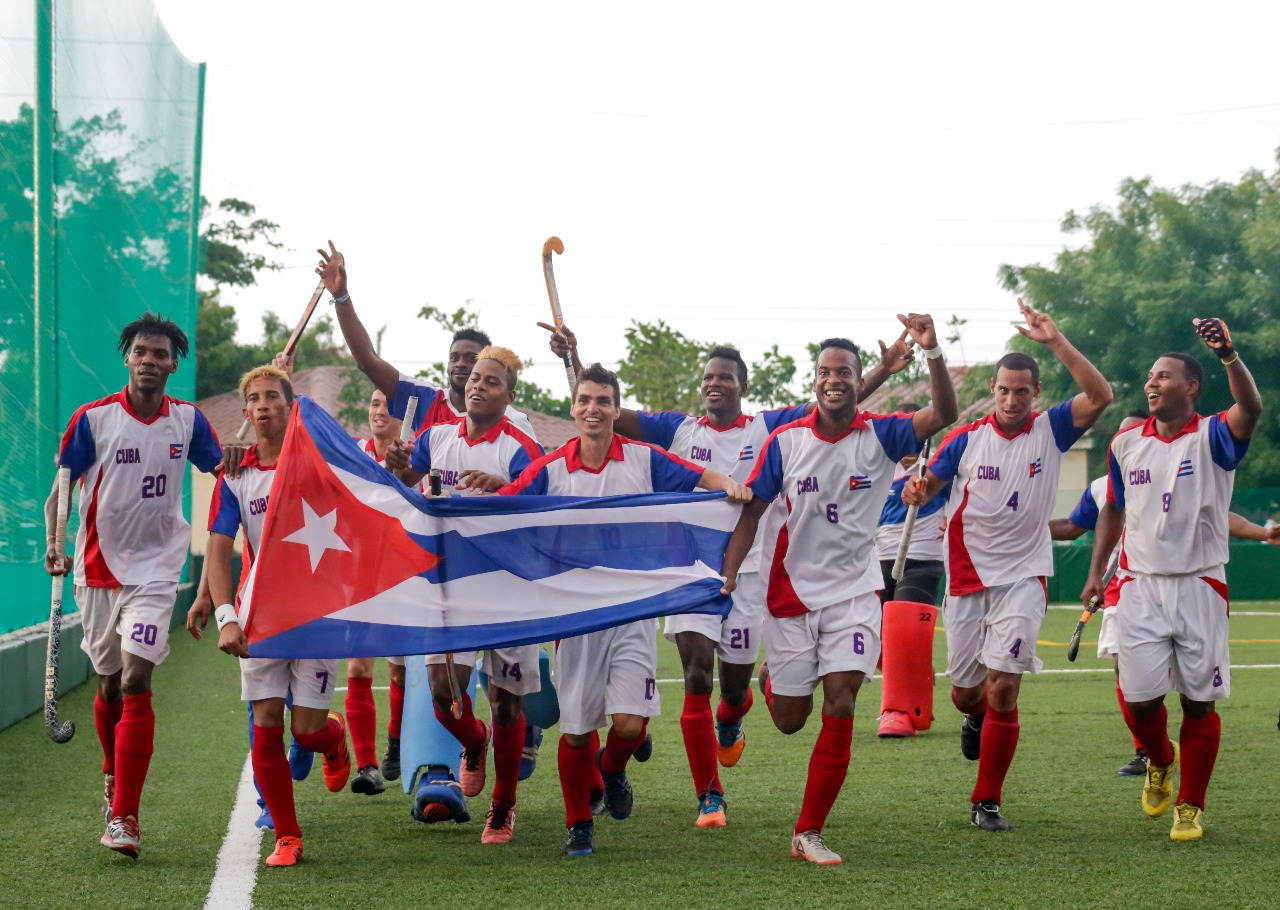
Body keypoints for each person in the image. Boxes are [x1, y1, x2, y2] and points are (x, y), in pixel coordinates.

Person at [544, 324, 912, 826]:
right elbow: (599, 413)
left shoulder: (767, 429)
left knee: (732, 691)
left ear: (742, 385)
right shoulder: (677, 430)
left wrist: (881, 371)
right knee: (696, 675)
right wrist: (574, 357)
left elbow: (833, 404)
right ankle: (709, 797)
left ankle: (735, 714)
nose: (714, 384)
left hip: (754, 573)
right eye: (708, 377)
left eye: (725, 377)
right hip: (691, 573)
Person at [720, 316, 958, 865]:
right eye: (826, 371)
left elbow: (942, 414)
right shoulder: (785, 442)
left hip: (854, 591)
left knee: (843, 701)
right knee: (788, 720)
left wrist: (934, 351)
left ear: (858, 380)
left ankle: (809, 832)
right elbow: (752, 513)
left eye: (844, 372)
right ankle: (771, 677)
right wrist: (731, 573)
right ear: (815, 382)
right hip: (791, 597)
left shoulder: (884, 433)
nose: (835, 379)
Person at [499, 363, 752, 857]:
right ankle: (579, 825)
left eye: (602, 401)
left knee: (630, 727)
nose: (593, 409)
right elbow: (505, 509)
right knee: (575, 733)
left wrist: (731, 487)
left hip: (634, 611)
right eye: (585, 400)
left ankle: (611, 770)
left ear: (616, 408)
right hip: (576, 617)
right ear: (573, 408)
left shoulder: (642, 457)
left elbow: (701, 476)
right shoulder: (550, 469)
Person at [903, 298, 1112, 832]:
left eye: (1022, 390)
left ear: (1035, 392)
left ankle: (987, 799)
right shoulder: (965, 440)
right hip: (969, 577)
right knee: (967, 693)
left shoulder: (1052, 428)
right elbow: (928, 489)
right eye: (1003, 390)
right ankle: (973, 716)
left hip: (1023, 575)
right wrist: (917, 487)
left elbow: (1101, 396)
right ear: (992, 391)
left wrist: (1056, 340)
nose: (1013, 399)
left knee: (1004, 688)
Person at [44, 313, 223, 859]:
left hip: (157, 568)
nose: (149, 360)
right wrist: (54, 541)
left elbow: (228, 473)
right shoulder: (92, 420)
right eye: (140, 352)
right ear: (127, 358)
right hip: (98, 571)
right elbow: (63, 491)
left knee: (136, 679)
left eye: (160, 354)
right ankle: (110, 769)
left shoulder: (189, 422)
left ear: (173, 365)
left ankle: (125, 816)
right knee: (108, 685)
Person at [1082, 317, 1262, 842]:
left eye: (1164, 376)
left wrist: (1229, 355)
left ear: (1191, 387)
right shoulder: (1125, 443)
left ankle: (1190, 805)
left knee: (1197, 703)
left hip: (1200, 585)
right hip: (1138, 586)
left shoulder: (1213, 435)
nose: (1152, 383)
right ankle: (1160, 758)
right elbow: (1112, 509)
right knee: (1139, 701)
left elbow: (1250, 409)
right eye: (1149, 377)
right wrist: (1096, 572)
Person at [1054, 413, 1280, 778]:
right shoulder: (1102, 485)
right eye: (1124, 433)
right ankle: (1147, 751)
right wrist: (1025, 527)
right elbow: (1071, 525)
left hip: (1190, 584)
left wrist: (1261, 533)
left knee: (1195, 697)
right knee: (1125, 676)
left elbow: (1219, 514)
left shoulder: (1180, 468)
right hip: (1124, 588)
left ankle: (1177, 777)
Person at [386, 346, 544, 844]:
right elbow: (403, 486)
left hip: (506, 587)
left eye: (491, 382)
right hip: (450, 583)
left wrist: (505, 487)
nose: (477, 386)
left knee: (507, 706)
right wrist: (395, 467)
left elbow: (541, 509)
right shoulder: (436, 438)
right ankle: (473, 745)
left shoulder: (520, 448)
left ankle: (503, 807)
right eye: (475, 378)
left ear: (510, 396)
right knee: (442, 693)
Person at [205, 365, 355, 867]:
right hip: (259, 617)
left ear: (289, 407)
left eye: (274, 396)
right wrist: (226, 614)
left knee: (306, 731)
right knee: (266, 721)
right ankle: (287, 835)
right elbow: (219, 548)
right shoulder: (236, 476)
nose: (264, 404)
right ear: (246, 411)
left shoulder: (316, 463)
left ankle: (331, 740)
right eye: (255, 398)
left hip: (315, 614)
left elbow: (364, 483)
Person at [874, 401, 950, 738]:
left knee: (903, 631)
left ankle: (898, 711)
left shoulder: (938, 468)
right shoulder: (876, 466)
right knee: (874, 639)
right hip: (876, 560)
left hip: (922, 558)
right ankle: (916, 679)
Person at [345, 388, 407, 795]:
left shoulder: (414, 457)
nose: (379, 411)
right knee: (357, 668)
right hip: (357, 575)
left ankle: (396, 743)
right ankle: (366, 765)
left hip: (403, 575)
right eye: (373, 403)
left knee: (399, 668)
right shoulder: (351, 451)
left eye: (388, 405)